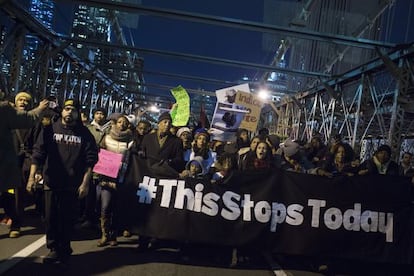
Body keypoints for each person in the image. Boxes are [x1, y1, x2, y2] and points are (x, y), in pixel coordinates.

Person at [26, 98, 98, 264]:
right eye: (66, 109)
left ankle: (64, 249)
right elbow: (38, 154)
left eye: (73, 110)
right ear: (62, 111)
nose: (69, 112)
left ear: (78, 113)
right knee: (50, 218)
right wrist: (31, 177)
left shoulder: (85, 134)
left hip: (73, 185)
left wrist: (85, 183)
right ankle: (53, 248)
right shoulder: (50, 129)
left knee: (67, 219)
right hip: (51, 182)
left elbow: (90, 160)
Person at [0, 96, 48, 238]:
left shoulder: (5, 111)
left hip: (13, 162)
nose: (23, 102)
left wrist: (40, 109)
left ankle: (15, 222)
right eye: (20, 99)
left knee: (10, 195)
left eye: (25, 100)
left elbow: (28, 121)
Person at [96, 114, 134, 247]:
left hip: (121, 178)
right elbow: (99, 155)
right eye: (119, 122)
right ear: (115, 123)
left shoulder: (130, 141)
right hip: (106, 178)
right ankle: (104, 234)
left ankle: (113, 236)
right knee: (105, 207)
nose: (122, 124)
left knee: (116, 208)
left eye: (125, 122)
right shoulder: (106, 138)